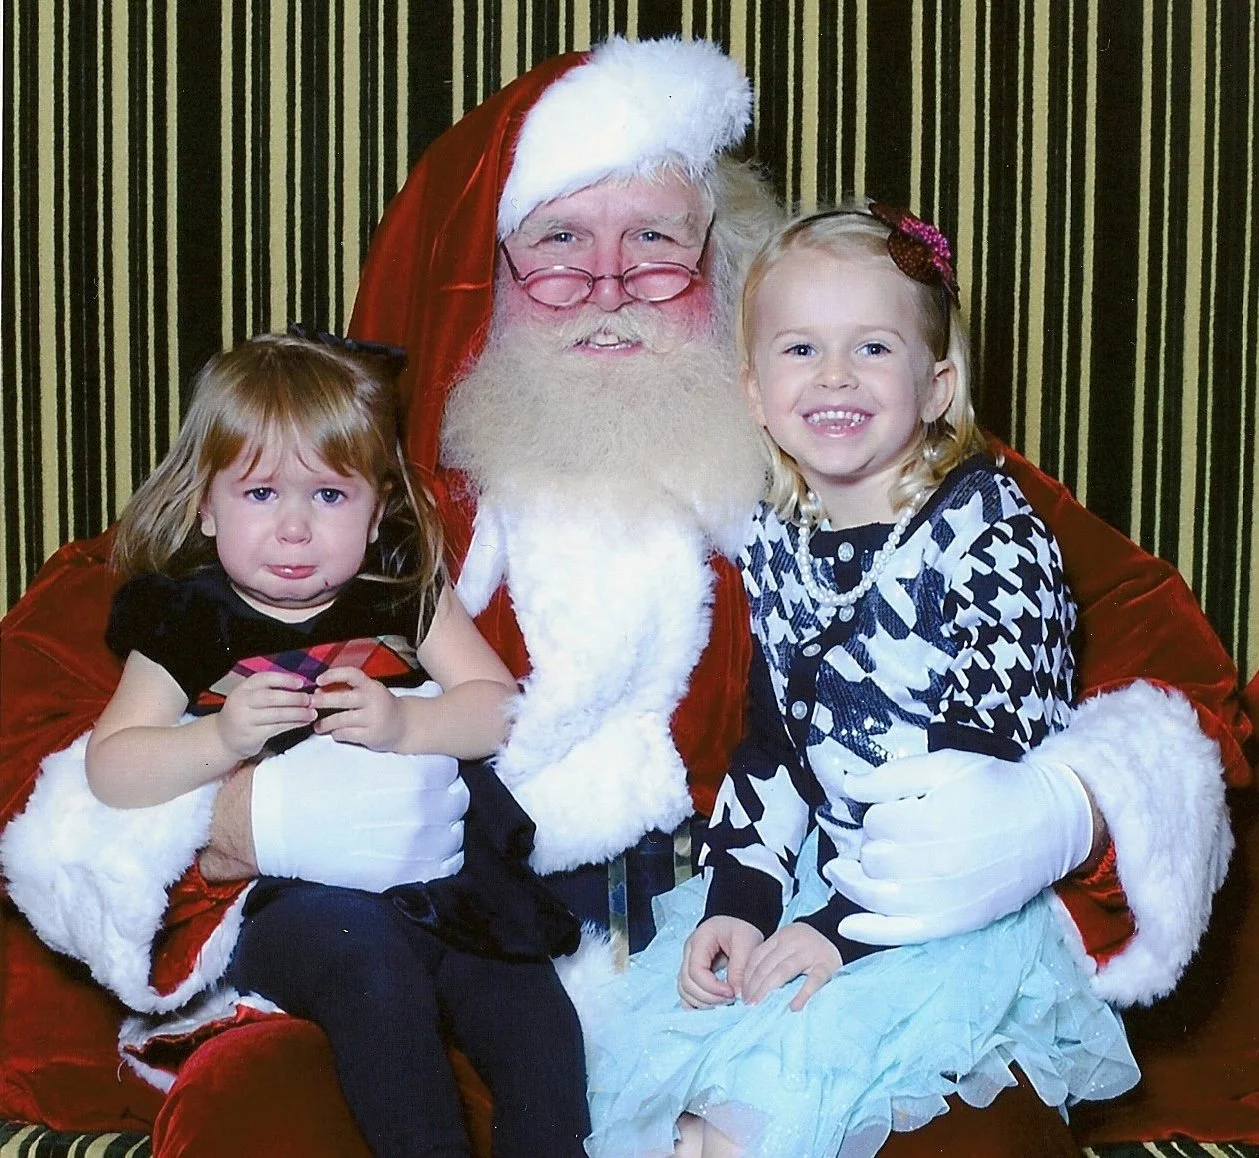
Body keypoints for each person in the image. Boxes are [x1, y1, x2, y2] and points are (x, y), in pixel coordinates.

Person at [0, 37, 1251, 1158]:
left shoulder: (854, 458)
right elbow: (42, 697)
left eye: (653, 240)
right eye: (555, 241)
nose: (605, 283)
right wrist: (235, 818)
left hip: (759, 978)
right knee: (255, 1126)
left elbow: (1158, 655)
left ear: (725, 269)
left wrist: (1062, 802)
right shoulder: (339, 487)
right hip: (407, 989)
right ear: (480, 273)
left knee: (969, 1143)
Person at [583, 204, 1141, 1158]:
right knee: (661, 1108)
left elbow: (975, 802)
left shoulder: (990, 543)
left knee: (755, 1122)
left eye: (870, 347)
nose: (833, 375)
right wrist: (741, 900)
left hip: (946, 915)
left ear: (936, 385)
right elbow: (775, 744)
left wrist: (840, 933)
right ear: (754, 392)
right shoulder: (779, 535)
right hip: (821, 879)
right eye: (800, 349)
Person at [32, 332, 590, 1156]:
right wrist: (218, 738)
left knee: (533, 1008)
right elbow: (112, 769)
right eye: (260, 494)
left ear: (375, 512)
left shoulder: (404, 600)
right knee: (368, 970)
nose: (294, 528)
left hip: (446, 886)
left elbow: (496, 708)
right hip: (295, 905)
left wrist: (410, 724)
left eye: (329, 497)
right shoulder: (186, 621)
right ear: (205, 506)